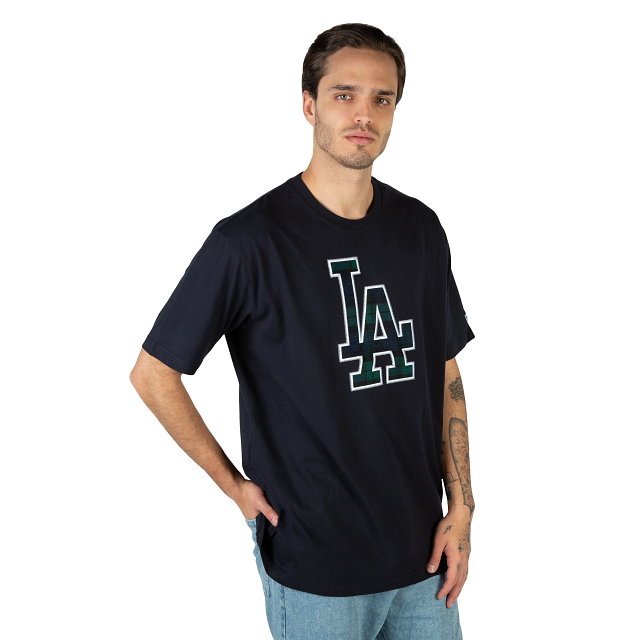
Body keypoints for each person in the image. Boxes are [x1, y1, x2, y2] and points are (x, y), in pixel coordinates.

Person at [130, 22, 475, 640]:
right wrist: (232, 486)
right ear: (310, 104)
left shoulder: (420, 229)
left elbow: (445, 371)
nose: (364, 114)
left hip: (424, 563)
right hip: (315, 567)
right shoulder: (247, 242)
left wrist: (463, 507)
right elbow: (154, 374)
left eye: (382, 98)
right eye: (344, 94)